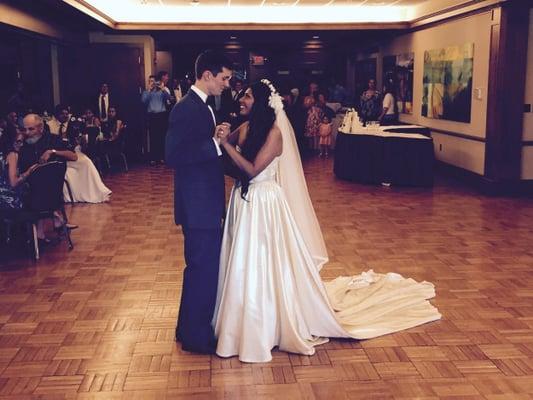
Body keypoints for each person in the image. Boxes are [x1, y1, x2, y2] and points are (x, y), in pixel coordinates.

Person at [213, 80, 441, 363]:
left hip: (264, 204)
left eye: (247, 96)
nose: (241, 100)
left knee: (263, 259)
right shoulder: (245, 129)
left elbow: (250, 170)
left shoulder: (275, 135)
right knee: (242, 259)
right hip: (244, 202)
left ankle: (267, 321)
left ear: (260, 102)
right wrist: (220, 139)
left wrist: (225, 144)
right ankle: (238, 320)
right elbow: (228, 160)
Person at [165, 50, 233, 354]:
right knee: (202, 269)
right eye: (224, 78)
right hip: (197, 205)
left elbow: (199, 147)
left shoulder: (203, 106)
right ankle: (196, 338)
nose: (227, 84)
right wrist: (215, 144)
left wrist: (215, 139)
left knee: (199, 268)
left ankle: (187, 328)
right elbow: (174, 156)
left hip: (202, 202)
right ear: (207, 75)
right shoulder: (186, 108)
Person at [0, 132, 35, 210]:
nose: (21, 145)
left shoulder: (2, 153)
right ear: (10, 141)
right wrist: (29, 171)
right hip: (8, 200)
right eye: (18, 141)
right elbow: (13, 183)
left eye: (22, 142)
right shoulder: (13, 155)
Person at [142, 74, 171, 165]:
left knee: (162, 137)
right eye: (150, 81)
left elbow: (168, 98)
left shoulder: (161, 92)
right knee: (153, 137)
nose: (152, 83)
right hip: (152, 116)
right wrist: (149, 90)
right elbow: (143, 101)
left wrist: (163, 89)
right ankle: (153, 158)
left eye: (153, 81)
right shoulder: (146, 92)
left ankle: (161, 157)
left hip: (161, 116)